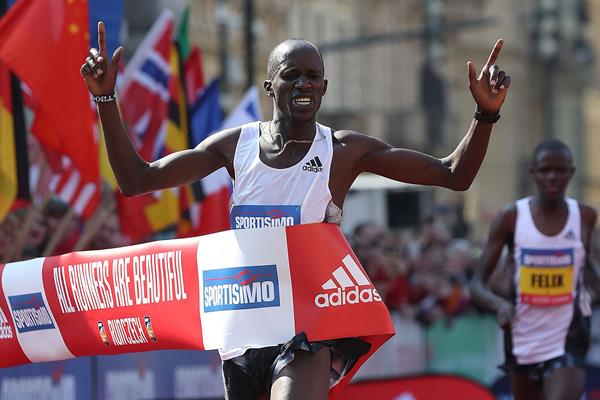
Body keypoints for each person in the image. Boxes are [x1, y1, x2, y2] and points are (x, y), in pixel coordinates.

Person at [81, 21, 510, 400]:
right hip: (243, 330)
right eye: (292, 76)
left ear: (324, 88)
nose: (304, 84)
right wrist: (105, 100)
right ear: (271, 86)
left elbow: (452, 174)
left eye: (313, 77)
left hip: (308, 327)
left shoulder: (343, 151)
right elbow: (137, 180)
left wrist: (485, 114)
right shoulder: (235, 146)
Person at [470, 139, 597, 400]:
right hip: (522, 334)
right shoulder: (511, 217)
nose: (552, 177)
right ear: (533, 173)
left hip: (569, 335)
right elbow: (477, 285)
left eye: (560, 170)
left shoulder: (584, 216)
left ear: (571, 173)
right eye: (545, 170)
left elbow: (587, 269)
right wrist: (499, 305)